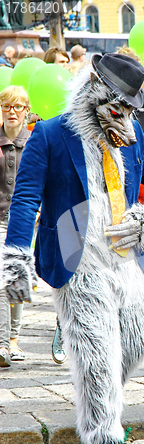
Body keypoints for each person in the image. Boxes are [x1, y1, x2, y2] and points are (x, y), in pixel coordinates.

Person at [2, 53, 144, 444]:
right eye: (118, 106)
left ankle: (100, 395)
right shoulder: (51, 135)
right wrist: (16, 256)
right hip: (77, 258)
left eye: (130, 108)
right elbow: (24, 198)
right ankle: (103, 438)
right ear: (94, 91)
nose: (124, 115)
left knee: (138, 339)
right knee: (96, 352)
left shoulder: (131, 136)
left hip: (123, 257)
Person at [0, 86, 31, 367]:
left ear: (26, 110)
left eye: (17, 107)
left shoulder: (33, 142)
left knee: (15, 278)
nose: (12, 112)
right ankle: (1, 344)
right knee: (1, 279)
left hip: (21, 222)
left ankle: (13, 339)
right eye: (7, 106)